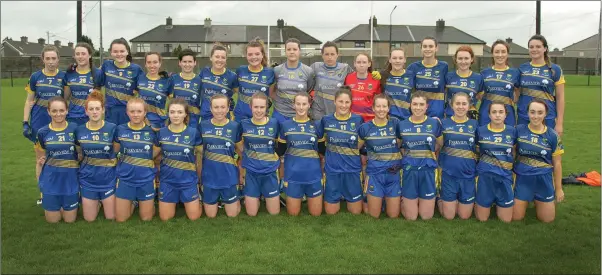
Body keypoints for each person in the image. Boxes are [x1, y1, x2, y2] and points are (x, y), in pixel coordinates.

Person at [23, 45, 67, 205]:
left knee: (61, 158)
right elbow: (29, 100)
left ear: (58, 59)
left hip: (60, 123)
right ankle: (44, 193)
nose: (50, 62)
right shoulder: (35, 77)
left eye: (53, 58)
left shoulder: (64, 76)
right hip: (39, 123)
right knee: (41, 159)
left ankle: (63, 191)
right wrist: (25, 122)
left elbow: (66, 100)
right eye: (47, 58)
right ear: (43, 59)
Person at [513, 99, 565, 223]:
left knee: (547, 219)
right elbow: (511, 154)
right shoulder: (518, 130)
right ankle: (526, 198)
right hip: (523, 178)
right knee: (516, 218)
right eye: (532, 112)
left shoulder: (552, 135)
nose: (536, 116)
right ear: (527, 113)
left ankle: (539, 200)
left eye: (540, 113)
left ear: (546, 114)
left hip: (543, 179)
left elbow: (557, 163)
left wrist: (558, 188)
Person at [316, 87, 365, 215]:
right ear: (335, 101)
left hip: (352, 170)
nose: (343, 105)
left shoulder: (358, 120)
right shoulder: (326, 120)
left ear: (351, 103)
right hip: (333, 170)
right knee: (331, 212)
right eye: (340, 102)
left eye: (347, 102)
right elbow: (320, 142)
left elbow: (363, 142)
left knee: (356, 211)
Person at [113, 98, 161, 222]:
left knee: (146, 219)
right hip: (125, 178)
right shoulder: (120, 129)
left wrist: (145, 159)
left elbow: (155, 151)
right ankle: (134, 202)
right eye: (132, 111)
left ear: (145, 112)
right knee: (121, 219)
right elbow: (116, 150)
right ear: (127, 112)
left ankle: (145, 202)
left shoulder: (152, 132)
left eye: (139, 111)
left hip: (146, 179)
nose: (135, 114)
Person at [276, 92, 323, 216]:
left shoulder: (317, 126)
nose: (301, 107)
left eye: (304, 104)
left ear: (309, 105)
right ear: (293, 105)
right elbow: (279, 151)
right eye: (298, 104)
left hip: (313, 176)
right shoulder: (285, 126)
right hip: (293, 177)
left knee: (316, 214)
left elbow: (323, 152)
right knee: (293, 214)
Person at [74, 91, 117, 222]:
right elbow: (78, 153)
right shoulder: (79, 130)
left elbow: (118, 152)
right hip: (88, 179)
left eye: (97, 109)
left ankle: (131, 201)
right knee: (89, 219)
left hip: (108, 178)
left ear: (103, 110)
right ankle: (97, 202)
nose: (94, 112)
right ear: (86, 111)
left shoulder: (113, 128)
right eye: (91, 109)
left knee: (111, 217)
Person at [157, 98, 203, 221]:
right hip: (168, 181)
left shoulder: (193, 133)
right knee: (165, 218)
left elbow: (201, 154)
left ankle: (199, 199)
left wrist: (200, 177)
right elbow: (153, 155)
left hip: (188, 181)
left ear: (185, 114)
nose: (175, 115)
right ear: (168, 114)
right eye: (172, 112)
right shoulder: (161, 133)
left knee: (194, 217)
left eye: (179, 112)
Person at [398, 92, 442, 221]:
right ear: (410, 105)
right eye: (415, 104)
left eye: (421, 104)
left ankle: (436, 199)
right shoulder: (402, 124)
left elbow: (441, 144)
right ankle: (403, 201)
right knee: (411, 217)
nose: (418, 107)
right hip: (409, 170)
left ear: (426, 106)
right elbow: (399, 146)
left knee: (426, 216)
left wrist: (430, 154)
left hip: (428, 170)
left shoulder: (434, 124)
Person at [35, 96, 79, 223]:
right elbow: (40, 159)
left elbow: (81, 153)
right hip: (51, 181)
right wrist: (40, 183)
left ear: (67, 111)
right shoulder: (42, 132)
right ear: (48, 112)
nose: (58, 114)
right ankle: (49, 197)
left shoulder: (75, 129)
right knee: (53, 222)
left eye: (61, 110)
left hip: (70, 181)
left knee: (69, 221)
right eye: (54, 111)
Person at [358, 94, 402, 218]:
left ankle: (386, 200)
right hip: (375, 174)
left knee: (393, 215)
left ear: (388, 108)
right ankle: (368, 198)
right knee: (373, 215)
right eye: (378, 106)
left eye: (384, 106)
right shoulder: (365, 128)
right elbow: (356, 147)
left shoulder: (396, 124)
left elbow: (401, 144)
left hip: (393, 174)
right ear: (373, 108)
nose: (381, 109)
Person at [198, 94, 243, 218]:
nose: (219, 110)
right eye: (216, 107)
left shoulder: (235, 126)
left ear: (228, 108)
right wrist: (199, 176)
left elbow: (240, 150)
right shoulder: (203, 126)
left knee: (232, 215)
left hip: (229, 177)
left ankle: (236, 199)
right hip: (209, 177)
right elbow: (199, 153)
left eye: (223, 107)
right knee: (210, 215)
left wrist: (241, 172)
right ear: (211, 109)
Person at [436, 92, 478, 220]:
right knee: (449, 216)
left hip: (468, 174)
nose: (460, 107)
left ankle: (460, 199)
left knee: (464, 216)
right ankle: (439, 198)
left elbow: (479, 149)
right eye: (457, 103)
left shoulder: (475, 125)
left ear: (469, 106)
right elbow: (438, 147)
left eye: (464, 104)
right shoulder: (443, 124)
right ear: (451, 105)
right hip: (449, 173)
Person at [239, 93, 281, 216]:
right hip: (251, 173)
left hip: (270, 172)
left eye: (262, 107)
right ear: (250, 107)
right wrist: (245, 157)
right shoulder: (243, 124)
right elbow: (238, 144)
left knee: (274, 213)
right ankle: (253, 198)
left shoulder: (274, 123)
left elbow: (280, 144)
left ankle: (264, 196)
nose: (258, 110)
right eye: (256, 107)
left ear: (267, 108)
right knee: (251, 213)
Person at [475, 101, 517, 223]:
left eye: (500, 112)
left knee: (506, 220)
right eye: (494, 112)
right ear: (489, 115)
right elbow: (477, 151)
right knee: (482, 219)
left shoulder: (512, 132)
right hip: (485, 177)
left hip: (504, 177)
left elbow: (514, 152)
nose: (497, 115)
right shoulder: (480, 131)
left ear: (505, 115)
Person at [517, 34, 566, 136]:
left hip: (547, 118)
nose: (534, 49)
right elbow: (516, 95)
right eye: (531, 47)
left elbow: (560, 98)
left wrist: (560, 123)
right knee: (523, 149)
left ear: (545, 49)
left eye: (538, 47)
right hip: (524, 117)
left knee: (547, 149)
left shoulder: (554, 70)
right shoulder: (522, 69)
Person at [95, 38, 144, 125]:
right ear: (111, 52)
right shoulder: (106, 65)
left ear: (127, 52)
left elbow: (143, 90)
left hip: (129, 112)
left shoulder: (136, 69)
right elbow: (97, 84)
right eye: (115, 51)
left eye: (122, 51)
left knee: (125, 137)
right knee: (112, 137)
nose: (119, 54)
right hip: (110, 111)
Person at [272, 38, 316, 124]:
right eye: (289, 49)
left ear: (299, 51)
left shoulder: (308, 71)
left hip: (300, 115)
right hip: (280, 114)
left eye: (295, 49)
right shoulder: (277, 70)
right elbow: (272, 91)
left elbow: (309, 91)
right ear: (285, 51)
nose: (292, 52)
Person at [478, 40, 520, 126]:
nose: (500, 55)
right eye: (497, 52)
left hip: (508, 115)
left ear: (507, 54)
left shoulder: (515, 73)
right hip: (486, 115)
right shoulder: (484, 73)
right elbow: (479, 95)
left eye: (503, 52)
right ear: (492, 54)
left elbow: (518, 94)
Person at [234, 39, 275, 123]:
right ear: (246, 56)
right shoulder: (240, 70)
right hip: (241, 117)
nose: (253, 57)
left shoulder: (270, 73)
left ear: (262, 54)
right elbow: (235, 89)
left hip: (261, 117)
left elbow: (271, 95)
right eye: (250, 54)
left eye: (257, 54)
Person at [310, 41, 353, 121]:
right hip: (318, 113)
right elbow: (306, 83)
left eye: (332, 54)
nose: (329, 57)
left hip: (338, 113)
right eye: (326, 54)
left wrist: (373, 75)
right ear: (322, 55)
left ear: (337, 55)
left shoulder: (345, 68)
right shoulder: (315, 67)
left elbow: (357, 79)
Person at [407, 37, 449, 119]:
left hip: (437, 114)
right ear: (421, 48)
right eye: (425, 46)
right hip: (419, 112)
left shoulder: (444, 66)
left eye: (431, 46)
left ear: (436, 48)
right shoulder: (413, 67)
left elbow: (447, 88)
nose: (427, 49)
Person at [199, 43, 240, 121]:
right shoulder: (204, 72)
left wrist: (231, 106)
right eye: (217, 57)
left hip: (223, 116)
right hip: (206, 116)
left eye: (223, 57)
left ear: (226, 59)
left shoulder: (232, 76)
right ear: (211, 58)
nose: (220, 60)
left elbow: (240, 94)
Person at [65, 42, 102, 126]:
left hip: (91, 118)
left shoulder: (98, 73)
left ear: (89, 55)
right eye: (77, 54)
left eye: (83, 54)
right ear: (74, 56)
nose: (80, 56)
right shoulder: (69, 73)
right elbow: (64, 98)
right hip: (72, 117)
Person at [444, 46, 483, 119]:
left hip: (470, 119)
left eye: (466, 58)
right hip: (450, 117)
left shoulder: (478, 78)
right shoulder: (448, 76)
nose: (463, 62)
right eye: (460, 58)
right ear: (455, 59)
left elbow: (480, 98)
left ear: (471, 59)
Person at [135, 52, 171, 131]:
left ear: (160, 63)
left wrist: (168, 117)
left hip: (160, 124)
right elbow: (132, 98)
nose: (152, 66)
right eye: (149, 62)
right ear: (145, 64)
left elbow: (174, 102)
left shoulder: (167, 81)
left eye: (155, 62)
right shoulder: (139, 78)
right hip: (141, 122)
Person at [169, 49, 202, 128]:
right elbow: (168, 98)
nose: (187, 64)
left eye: (190, 61)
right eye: (184, 61)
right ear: (180, 63)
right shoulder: (173, 79)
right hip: (176, 119)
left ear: (195, 63)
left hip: (193, 121)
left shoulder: (200, 80)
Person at [345, 52, 381, 122]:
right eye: (358, 62)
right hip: (352, 119)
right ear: (354, 64)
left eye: (364, 62)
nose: (361, 65)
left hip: (370, 119)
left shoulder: (375, 80)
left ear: (369, 64)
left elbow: (378, 100)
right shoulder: (348, 78)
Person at [380, 48, 415, 121]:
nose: (397, 61)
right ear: (390, 60)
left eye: (400, 58)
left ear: (404, 60)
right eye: (394, 58)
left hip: (406, 119)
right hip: (387, 119)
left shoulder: (411, 75)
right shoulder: (382, 76)